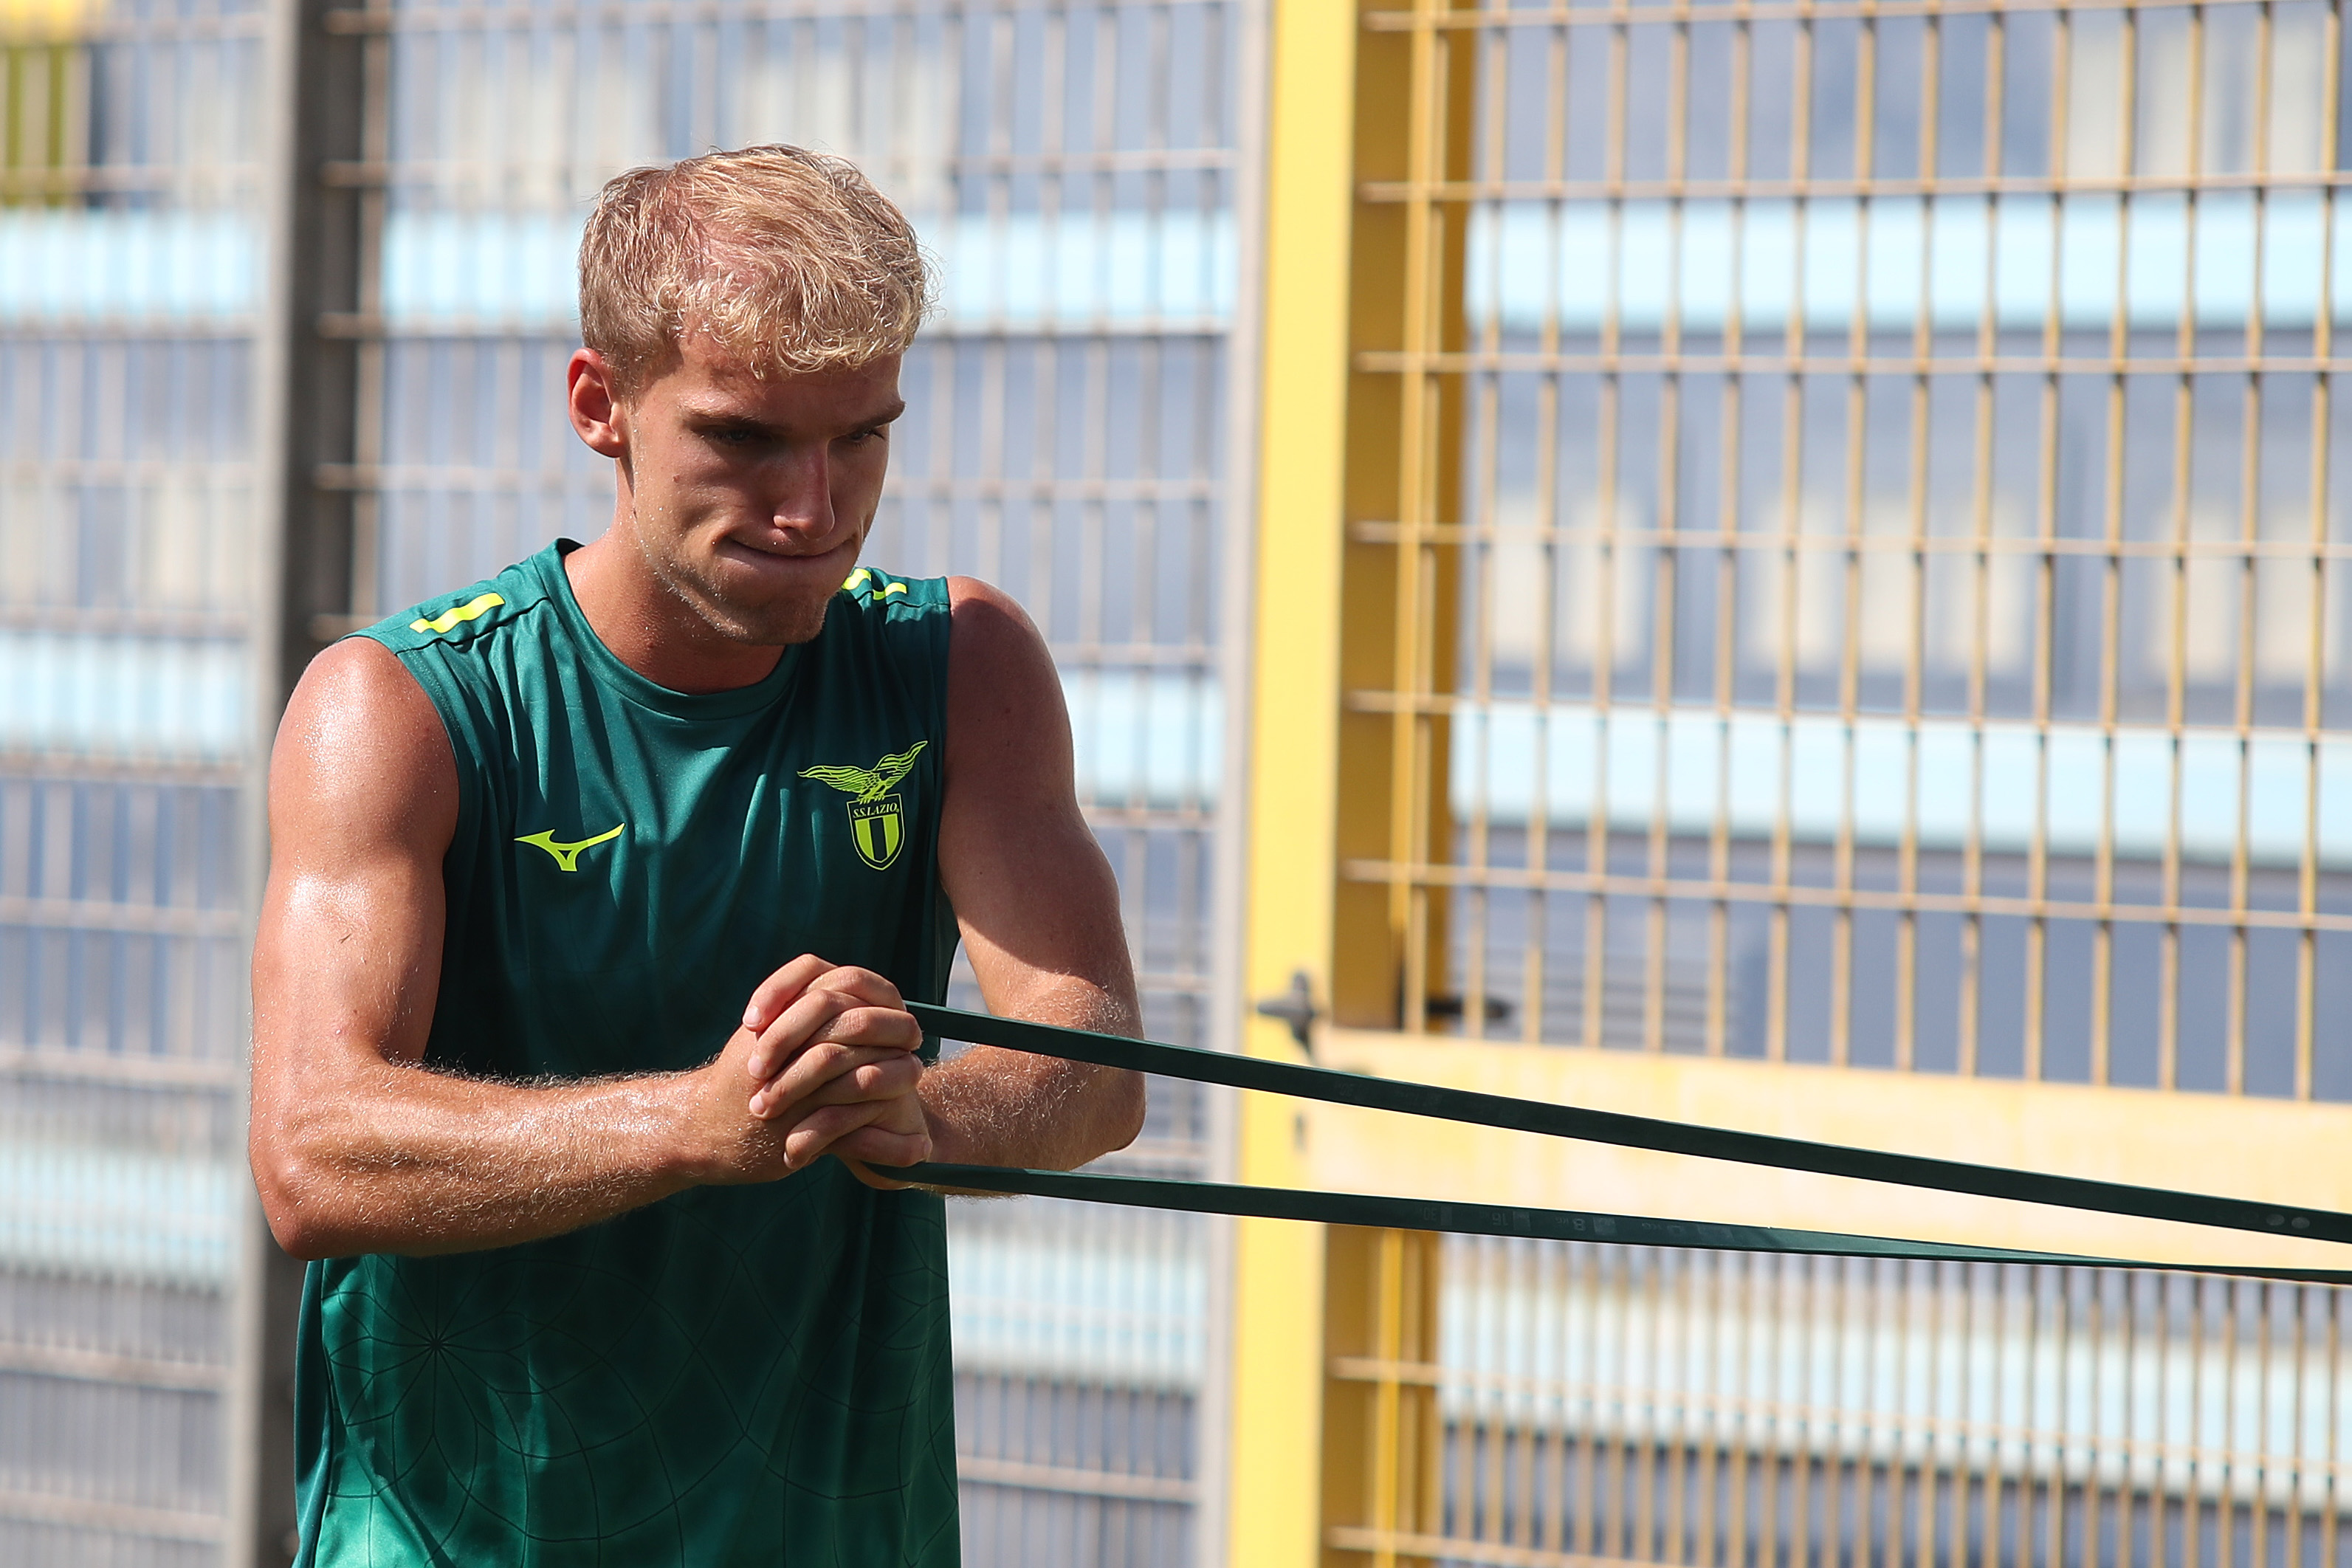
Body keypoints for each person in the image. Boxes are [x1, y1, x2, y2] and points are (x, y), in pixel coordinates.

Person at [247, 145, 1145, 1566]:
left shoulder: (958, 663)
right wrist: (694, 1122)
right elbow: (314, 1156)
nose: (816, 509)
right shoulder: (401, 708)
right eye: (744, 439)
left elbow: (1090, 1061)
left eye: (862, 437)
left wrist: (932, 1120)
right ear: (601, 406)